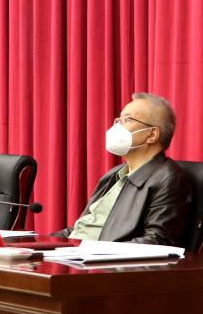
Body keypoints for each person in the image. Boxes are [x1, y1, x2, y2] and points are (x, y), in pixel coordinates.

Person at [55, 92, 191, 245]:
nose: (117, 127)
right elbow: (82, 228)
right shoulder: (113, 175)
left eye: (127, 120)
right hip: (76, 252)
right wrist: (42, 243)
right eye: (118, 120)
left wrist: (96, 252)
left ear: (152, 135)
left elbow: (157, 240)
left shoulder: (168, 179)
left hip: (101, 257)